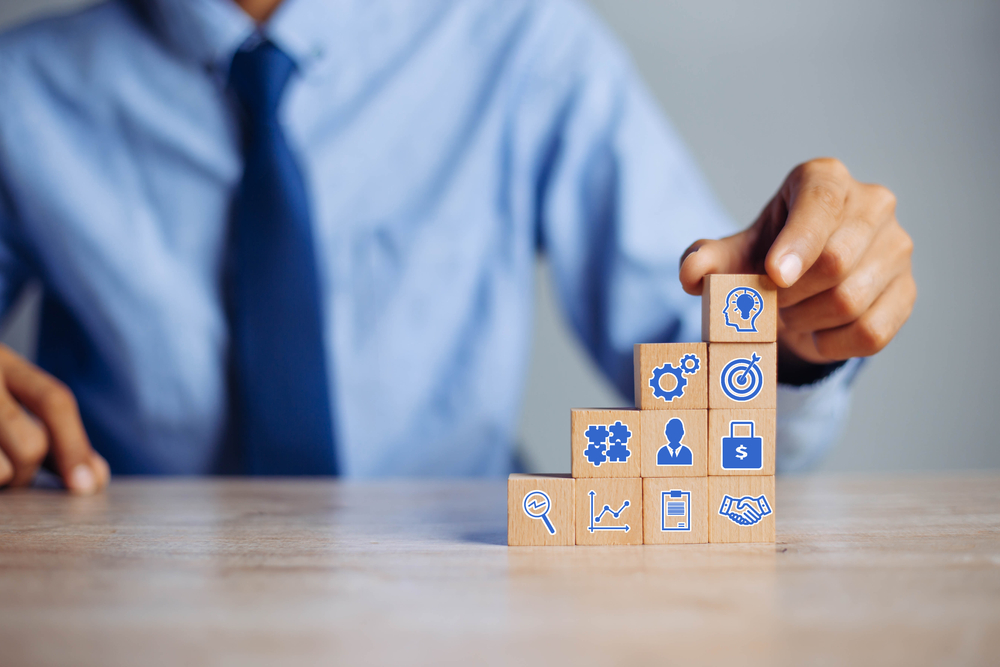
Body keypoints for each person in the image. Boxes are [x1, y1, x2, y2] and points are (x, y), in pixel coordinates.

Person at [0, 0, 915, 493]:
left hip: (465, 604)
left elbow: (718, 414)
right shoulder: (19, 89)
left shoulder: (526, 42)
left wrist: (789, 337)